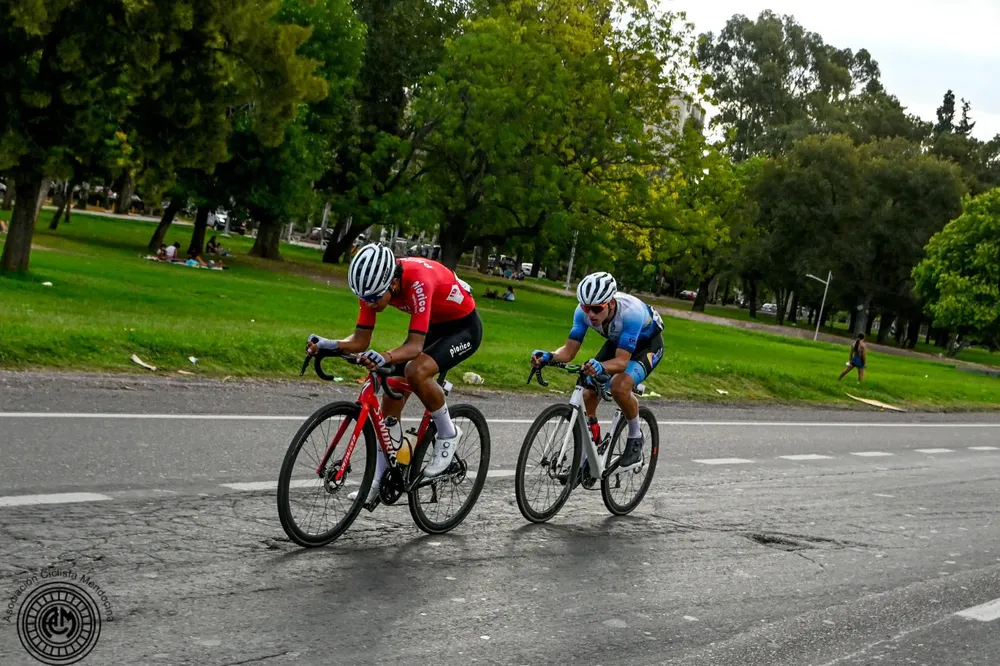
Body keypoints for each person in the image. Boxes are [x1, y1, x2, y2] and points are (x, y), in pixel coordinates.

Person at [306, 243, 482, 505]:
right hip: (433, 325)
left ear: (394, 284)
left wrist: (385, 356)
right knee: (389, 383)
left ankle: (448, 433)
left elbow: (414, 347)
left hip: (462, 328)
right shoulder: (372, 286)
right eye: (364, 299)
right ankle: (380, 478)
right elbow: (360, 340)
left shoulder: (419, 281)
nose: (369, 304)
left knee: (416, 371)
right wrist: (330, 345)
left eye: (374, 299)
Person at [531, 272, 664, 477]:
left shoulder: (631, 313)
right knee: (587, 392)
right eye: (586, 308)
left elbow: (621, 362)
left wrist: (602, 367)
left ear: (610, 303)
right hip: (618, 341)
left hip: (647, 346)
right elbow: (568, 352)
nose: (590, 314)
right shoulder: (582, 312)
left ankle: (635, 437)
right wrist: (548, 356)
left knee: (619, 386)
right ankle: (588, 454)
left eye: (596, 309)